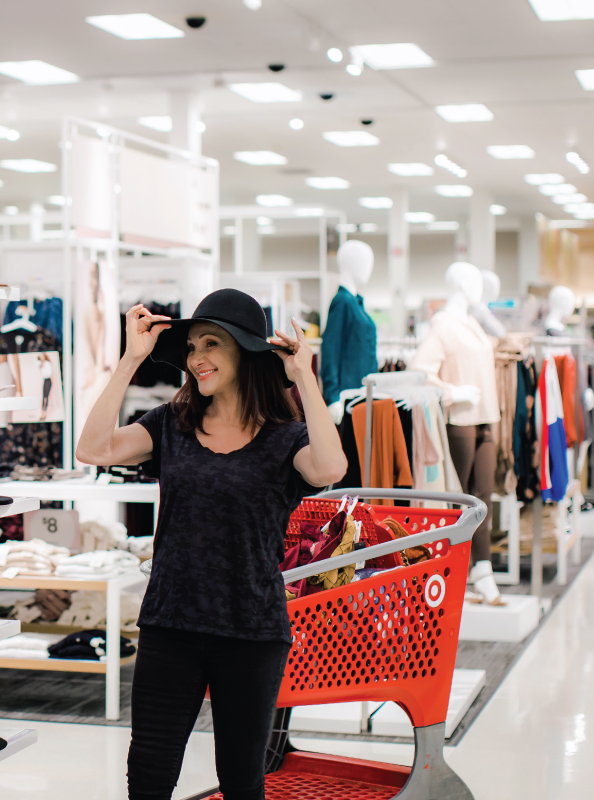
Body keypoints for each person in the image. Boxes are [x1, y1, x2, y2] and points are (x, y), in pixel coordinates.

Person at [76, 288, 347, 800]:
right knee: (150, 777)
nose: (196, 358)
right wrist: (130, 360)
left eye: (211, 344)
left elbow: (331, 468)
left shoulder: (284, 438)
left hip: (250, 629)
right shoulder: (172, 425)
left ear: (246, 351)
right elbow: (93, 449)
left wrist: (303, 378)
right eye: (191, 347)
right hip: (170, 624)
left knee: (242, 781)